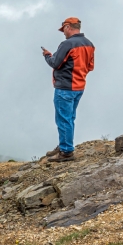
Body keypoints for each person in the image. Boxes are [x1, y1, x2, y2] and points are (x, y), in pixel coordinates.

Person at [41, 17, 95, 162]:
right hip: (79, 87)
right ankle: (64, 145)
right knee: (69, 118)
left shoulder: (67, 44)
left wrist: (47, 55)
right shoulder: (89, 44)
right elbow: (89, 67)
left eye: (63, 29)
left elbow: (55, 63)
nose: (63, 32)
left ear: (68, 27)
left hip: (65, 88)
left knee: (63, 119)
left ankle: (66, 152)